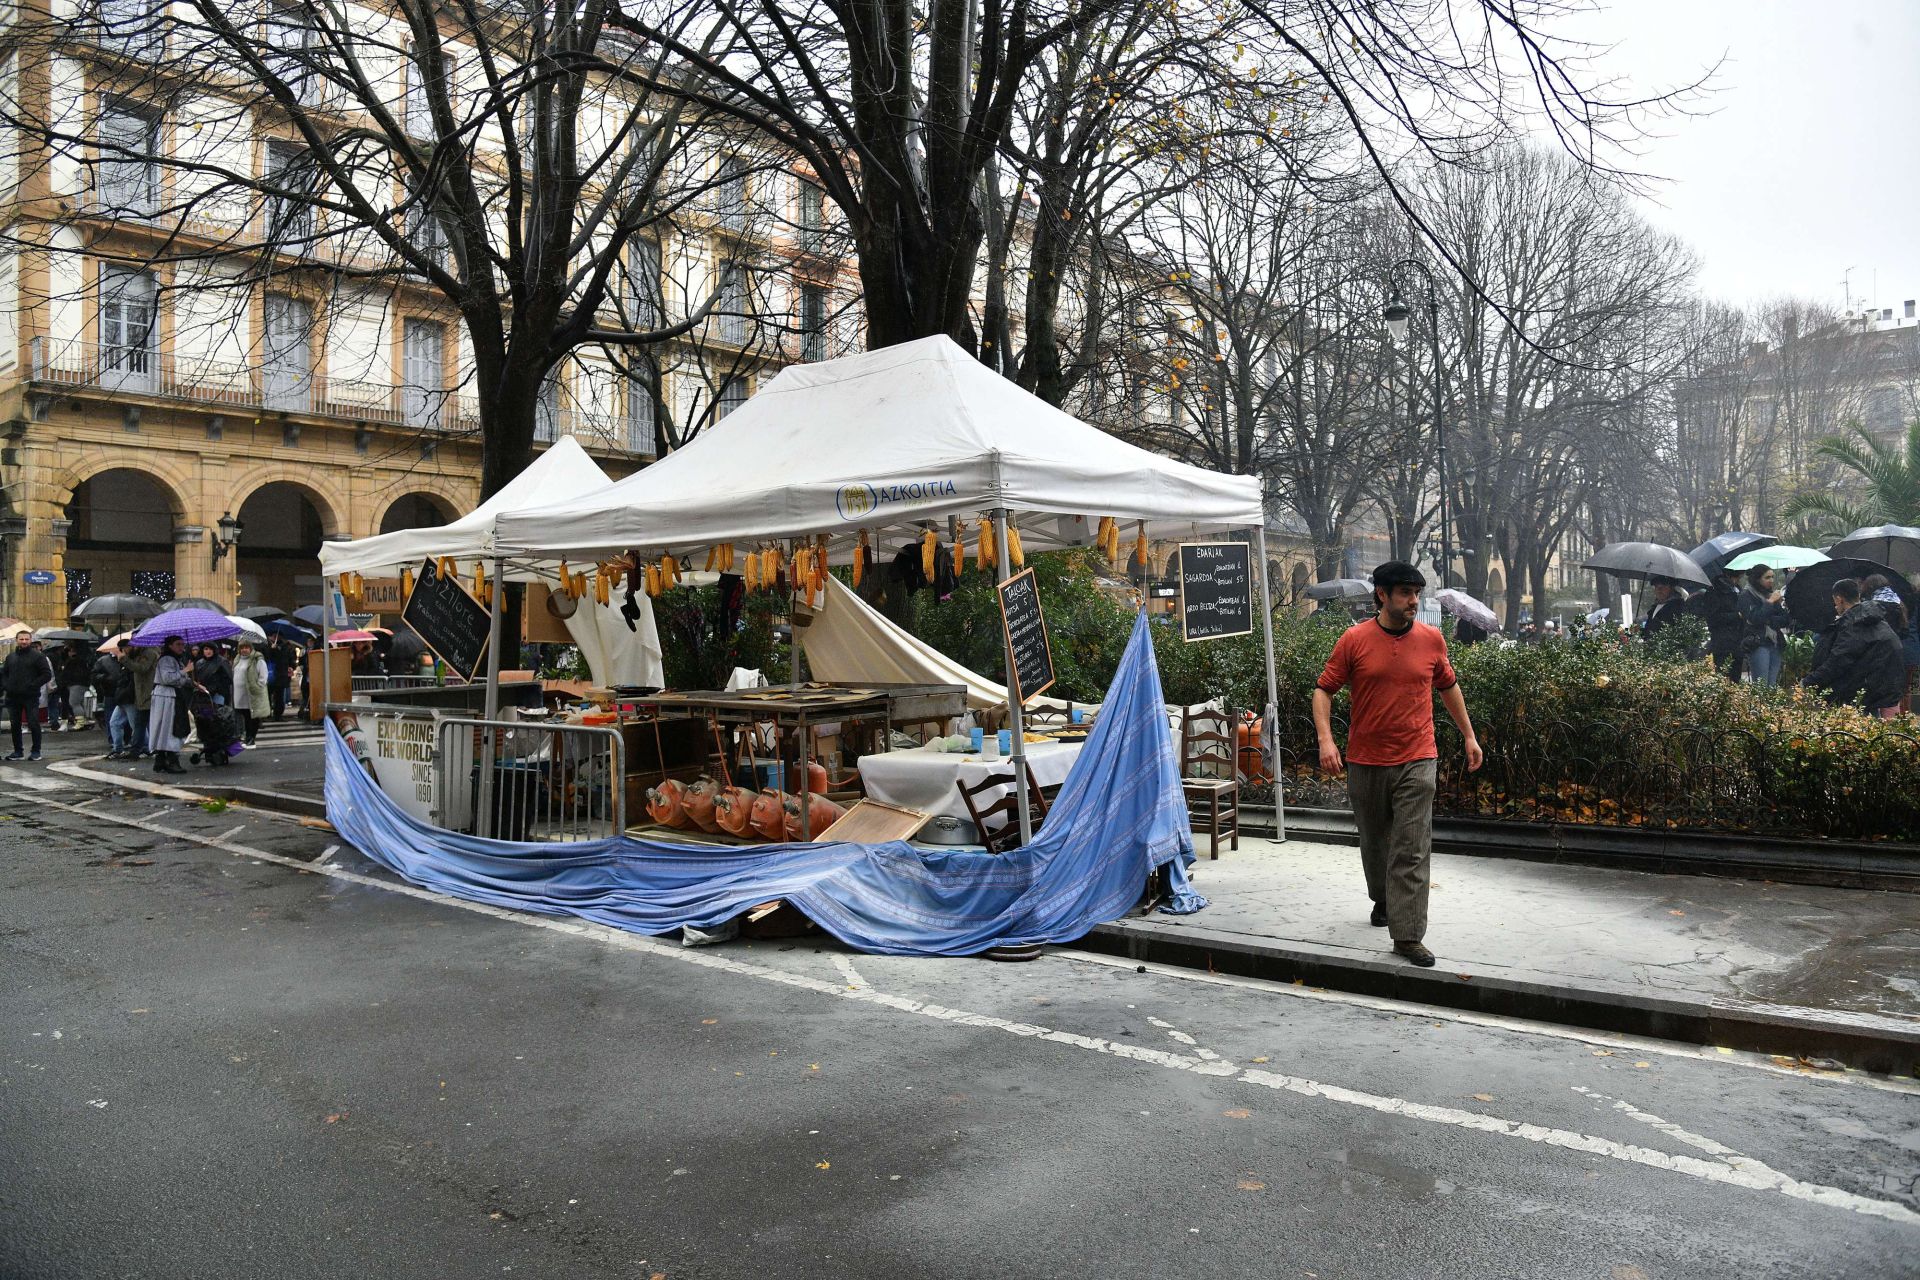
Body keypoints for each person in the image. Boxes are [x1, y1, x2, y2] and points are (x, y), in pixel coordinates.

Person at [1312, 561, 1484, 968]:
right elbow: (1323, 691)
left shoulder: (1431, 640)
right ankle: (1384, 898)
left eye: (1416, 593)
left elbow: (1448, 686)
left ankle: (1408, 935)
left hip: (1418, 756)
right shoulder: (1354, 640)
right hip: (1366, 759)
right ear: (1382, 595)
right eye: (1405, 593)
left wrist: (1469, 735)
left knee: (1411, 848)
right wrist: (1325, 740)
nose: (1413, 601)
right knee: (1375, 843)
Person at [1802, 578, 1906, 717]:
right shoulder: (1873, 617)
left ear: (1839, 599)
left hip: (1857, 692)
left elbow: (1839, 660)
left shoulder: (1854, 624)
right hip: (1877, 689)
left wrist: (1809, 682)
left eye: (1835, 601)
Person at [147, 636, 200, 774]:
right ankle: (171, 760)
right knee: (170, 727)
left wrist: (193, 683)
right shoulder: (166, 659)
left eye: (182, 644)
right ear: (170, 645)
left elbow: (181, 679)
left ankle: (161, 759)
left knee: (167, 727)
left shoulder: (175, 659)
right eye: (178, 644)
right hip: (166, 696)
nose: (182, 647)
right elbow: (167, 678)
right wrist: (185, 670)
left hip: (171, 695)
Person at [1737, 564, 1793, 688]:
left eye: (1772, 577)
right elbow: (1755, 618)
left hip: (1775, 642)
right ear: (1757, 579)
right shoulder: (1746, 596)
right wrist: (1770, 602)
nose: (1771, 580)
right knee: (1761, 685)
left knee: (1772, 685)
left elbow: (1785, 619)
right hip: (1758, 643)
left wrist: (1769, 620)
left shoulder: (1770, 594)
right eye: (1767, 577)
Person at [4, 629, 54, 761]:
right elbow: (4, 674)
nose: (24, 641)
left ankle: (36, 751)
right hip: (13, 696)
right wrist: (7, 686)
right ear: (16, 640)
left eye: (27, 639)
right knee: (15, 724)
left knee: (33, 722)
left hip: (30, 696)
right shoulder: (10, 657)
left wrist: (32, 685)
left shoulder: (38, 656)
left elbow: (46, 674)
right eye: (21, 639)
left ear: (31, 640)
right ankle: (18, 751)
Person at [1689, 570, 1745, 677]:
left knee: (1736, 676)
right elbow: (1713, 618)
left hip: (1738, 642)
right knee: (1723, 675)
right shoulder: (1714, 591)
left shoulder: (1738, 590)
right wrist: (1736, 615)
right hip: (1722, 642)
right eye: (1737, 577)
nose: (1738, 580)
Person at [231, 639, 269, 746]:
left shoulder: (257, 659)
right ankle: (246, 736)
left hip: (252, 693)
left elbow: (263, 675)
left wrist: (258, 686)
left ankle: (251, 737)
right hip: (239, 693)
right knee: (243, 715)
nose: (244, 650)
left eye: (246, 647)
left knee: (252, 716)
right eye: (242, 648)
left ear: (251, 648)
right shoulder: (237, 659)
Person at [91, 644, 127, 756]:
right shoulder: (103, 660)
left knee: (125, 719)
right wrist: (105, 678)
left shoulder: (126, 659)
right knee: (111, 718)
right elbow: (94, 675)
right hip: (110, 692)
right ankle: (114, 740)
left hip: (124, 692)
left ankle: (126, 740)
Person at [124, 642, 157, 757]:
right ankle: (137, 749)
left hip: (148, 695)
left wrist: (124, 659)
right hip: (141, 696)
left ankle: (146, 748)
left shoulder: (149, 653)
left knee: (144, 723)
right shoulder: (137, 654)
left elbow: (142, 668)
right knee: (140, 724)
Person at [58, 643, 92, 729]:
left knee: (74, 702)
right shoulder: (84, 660)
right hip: (81, 683)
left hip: (75, 683)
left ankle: (80, 722)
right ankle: (82, 721)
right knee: (79, 703)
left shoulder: (73, 661)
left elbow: (67, 673)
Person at [264, 634, 295, 719]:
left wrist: (291, 666)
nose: (274, 637)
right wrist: (271, 649)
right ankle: (267, 713)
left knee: (279, 696)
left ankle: (278, 714)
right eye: (272, 636)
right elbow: (266, 657)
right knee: (268, 694)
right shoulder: (265, 645)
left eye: (275, 636)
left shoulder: (285, 646)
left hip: (281, 675)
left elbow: (288, 659)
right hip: (270, 674)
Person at [196, 642, 233, 707]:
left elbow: (229, 679)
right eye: (206, 649)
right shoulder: (199, 663)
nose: (208, 651)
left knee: (218, 712)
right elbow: (197, 678)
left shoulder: (222, 661)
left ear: (214, 650)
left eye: (211, 649)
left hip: (219, 694)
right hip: (203, 695)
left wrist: (215, 687)